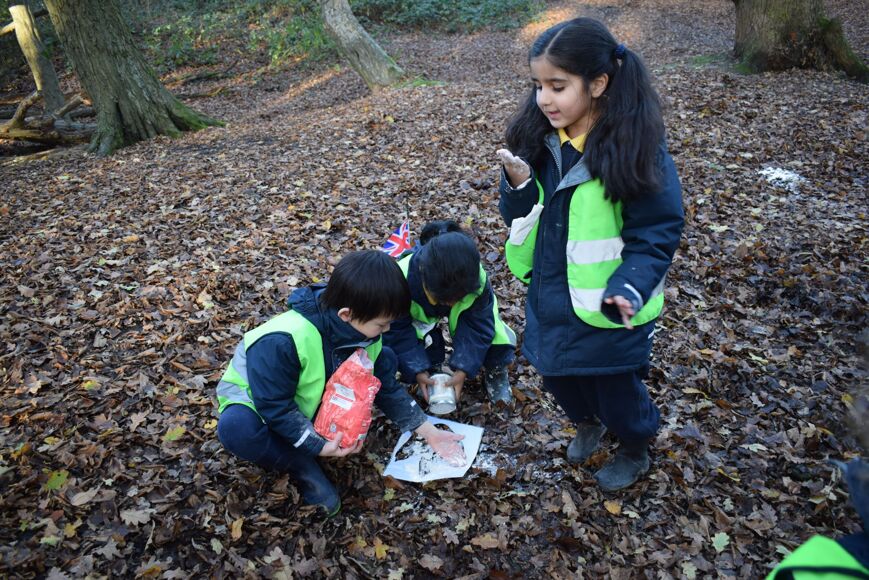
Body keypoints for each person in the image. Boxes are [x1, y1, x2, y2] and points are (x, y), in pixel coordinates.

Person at [496, 17, 684, 491]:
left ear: (598, 84)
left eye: (558, 86)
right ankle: (587, 423)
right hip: (551, 295)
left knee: (614, 389)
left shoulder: (635, 150)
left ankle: (635, 446)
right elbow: (520, 218)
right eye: (538, 85)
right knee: (558, 377)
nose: (544, 98)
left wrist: (630, 286)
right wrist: (519, 187)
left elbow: (656, 229)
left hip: (609, 305)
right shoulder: (539, 144)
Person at [215, 250, 466, 516]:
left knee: (386, 358)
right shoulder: (282, 340)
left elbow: (386, 388)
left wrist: (427, 430)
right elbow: (274, 405)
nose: (387, 331)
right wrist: (317, 446)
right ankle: (299, 464)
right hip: (260, 408)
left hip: (305, 404)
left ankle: (307, 439)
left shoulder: (365, 331)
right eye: (381, 325)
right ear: (346, 314)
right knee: (237, 428)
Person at [383, 220, 517, 407]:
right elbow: (397, 331)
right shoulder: (399, 280)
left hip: (470, 312)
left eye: (457, 298)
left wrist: (463, 368)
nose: (452, 304)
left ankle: (496, 370)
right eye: (446, 300)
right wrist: (417, 368)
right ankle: (431, 370)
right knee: (415, 346)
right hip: (416, 316)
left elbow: (478, 326)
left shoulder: (475, 278)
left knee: (495, 335)